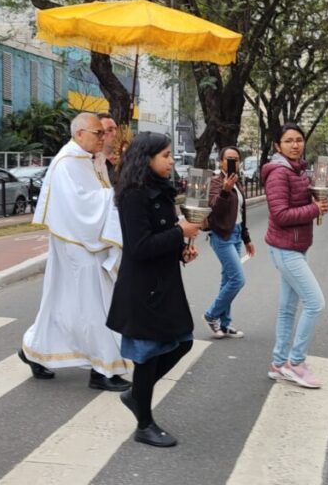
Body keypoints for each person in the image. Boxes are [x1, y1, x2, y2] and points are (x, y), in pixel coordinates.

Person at [17, 113, 130, 391]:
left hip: (88, 241)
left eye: (104, 133)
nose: (102, 137)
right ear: (79, 134)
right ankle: (102, 370)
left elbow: (99, 192)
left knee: (62, 303)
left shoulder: (92, 159)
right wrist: (116, 195)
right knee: (94, 305)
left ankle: (34, 350)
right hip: (78, 244)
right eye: (97, 133)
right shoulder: (67, 163)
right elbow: (80, 204)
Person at [107, 132, 200, 447]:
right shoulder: (133, 194)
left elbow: (161, 236)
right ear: (146, 158)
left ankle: (136, 394)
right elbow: (140, 246)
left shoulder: (160, 189)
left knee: (182, 342)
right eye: (166, 155)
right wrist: (179, 232)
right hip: (144, 289)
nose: (171, 161)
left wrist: (181, 250)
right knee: (147, 356)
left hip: (164, 284)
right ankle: (144, 424)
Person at [261, 124, 328, 389]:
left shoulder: (297, 170)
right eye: (288, 141)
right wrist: (314, 209)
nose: (295, 145)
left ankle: (279, 364)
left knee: (287, 309)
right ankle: (295, 363)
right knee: (315, 303)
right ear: (278, 146)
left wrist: (316, 202)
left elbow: (299, 204)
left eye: (299, 140)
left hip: (295, 246)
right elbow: (280, 214)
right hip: (285, 248)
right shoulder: (279, 173)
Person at [201, 145, 254, 339]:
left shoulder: (237, 182)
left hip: (236, 234)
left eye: (236, 159)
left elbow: (241, 213)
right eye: (229, 159)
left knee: (227, 280)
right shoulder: (216, 182)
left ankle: (225, 324)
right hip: (221, 236)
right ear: (221, 162)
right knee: (237, 279)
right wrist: (224, 191)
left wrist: (246, 238)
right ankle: (211, 315)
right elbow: (214, 210)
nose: (233, 163)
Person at [97, 112, 120, 186]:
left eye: (116, 129)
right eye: (110, 130)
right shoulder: (91, 162)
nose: (115, 133)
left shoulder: (125, 160)